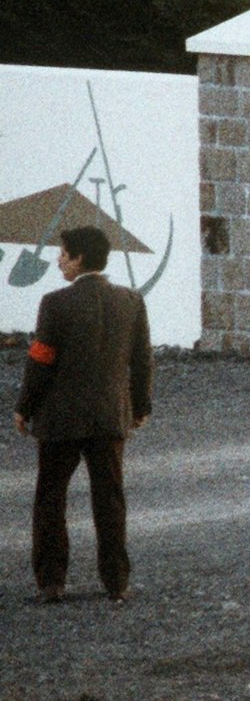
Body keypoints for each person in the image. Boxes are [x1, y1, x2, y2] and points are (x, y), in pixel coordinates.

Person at [13, 225, 152, 605]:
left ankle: (52, 581)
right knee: (110, 500)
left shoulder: (55, 304)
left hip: (61, 421)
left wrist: (23, 407)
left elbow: (41, 361)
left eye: (63, 253)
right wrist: (140, 407)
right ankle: (116, 582)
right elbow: (141, 362)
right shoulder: (131, 301)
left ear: (78, 259)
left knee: (50, 500)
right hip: (110, 417)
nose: (58, 259)